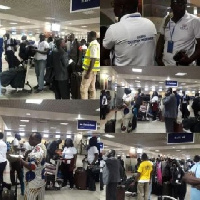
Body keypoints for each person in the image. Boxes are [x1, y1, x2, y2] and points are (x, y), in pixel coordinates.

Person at [103, 0, 157, 66]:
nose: (113, 8)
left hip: (122, 73)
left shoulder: (114, 29)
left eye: (114, 5)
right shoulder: (150, 24)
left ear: (121, 8)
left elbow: (104, 54)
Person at [156, 0, 200, 66]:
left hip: (185, 67)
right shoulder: (166, 19)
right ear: (171, 5)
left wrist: (189, 60)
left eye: (183, 3)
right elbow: (161, 40)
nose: (182, 6)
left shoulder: (194, 21)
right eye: (178, 3)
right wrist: (158, 59)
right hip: (166, 65)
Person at [18, 132, 46, 200]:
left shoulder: (38, 150)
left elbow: (32, 166)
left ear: (36, 139)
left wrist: (21, 161)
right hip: (40, 179)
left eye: (30, 138)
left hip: (33, 182)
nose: (29, 140)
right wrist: (28, 154)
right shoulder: (42, 146)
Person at [80, 31, 100, 99]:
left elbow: (93, 59)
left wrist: (88, 73)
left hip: (89, 70)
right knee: (92, 88)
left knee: (83, 89)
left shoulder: (93, 45)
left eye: (88, 36)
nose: (87, 38)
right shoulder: (97, 44)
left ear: (91, 36)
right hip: (94, 70)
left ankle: (84, 106)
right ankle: (92, 104)